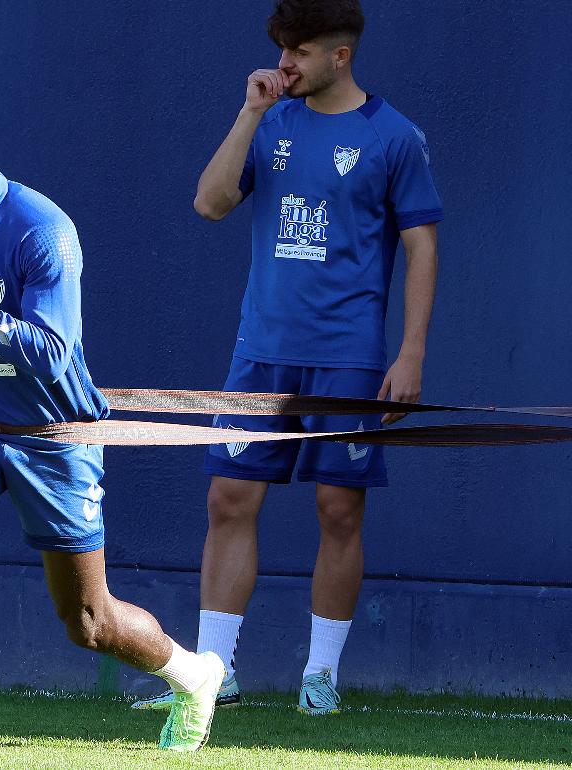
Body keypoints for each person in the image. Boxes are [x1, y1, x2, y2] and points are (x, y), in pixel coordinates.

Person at [0, 83, 224, 753]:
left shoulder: (43, 231)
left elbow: (53, 356)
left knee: (89, 622)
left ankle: (195, 677)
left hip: (54, 434)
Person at [132, 0, 442, 715]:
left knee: (339, 510)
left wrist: (412, 353)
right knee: (228, 498)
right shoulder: (270, 120)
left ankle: (320, 678)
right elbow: (209, 204)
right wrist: (247, 113)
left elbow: (423, 247)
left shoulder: (394, 138)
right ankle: (213, 676)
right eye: (281, 50)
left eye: (298, 52)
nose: (283, 64)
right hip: (260, 352)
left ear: (340, 55)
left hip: (349, 358)